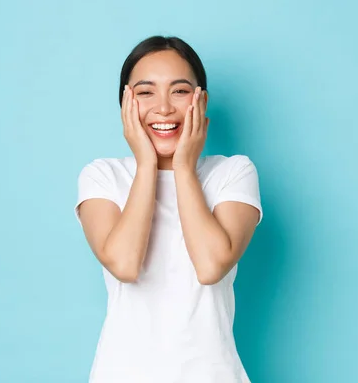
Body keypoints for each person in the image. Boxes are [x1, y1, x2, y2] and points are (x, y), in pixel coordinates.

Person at [74, 36, 263, 383]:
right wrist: (146, 164)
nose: (163, 107)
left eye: (179, 91)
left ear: (201, 100)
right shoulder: (102, 176)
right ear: (125, 104)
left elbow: (210, 266)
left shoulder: (233, 173)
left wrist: (183, 168)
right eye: (145, 92)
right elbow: (125, 264)